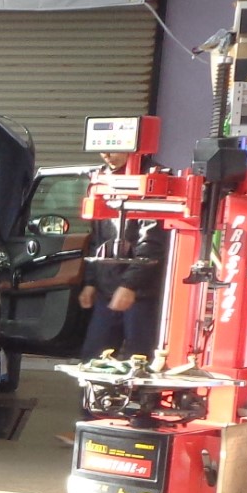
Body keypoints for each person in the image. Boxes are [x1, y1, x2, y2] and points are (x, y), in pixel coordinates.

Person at [79, 153, 168, 358]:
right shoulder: (102, 179)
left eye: (113, 149)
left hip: (142, 294)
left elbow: (153, 242)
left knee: (139, 360)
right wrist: (91, 282)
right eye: (102, 150)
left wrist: (130, 285)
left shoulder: (153, 179)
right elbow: (97, 239)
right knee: (93, 358)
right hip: (106, 290)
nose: (107, 155)